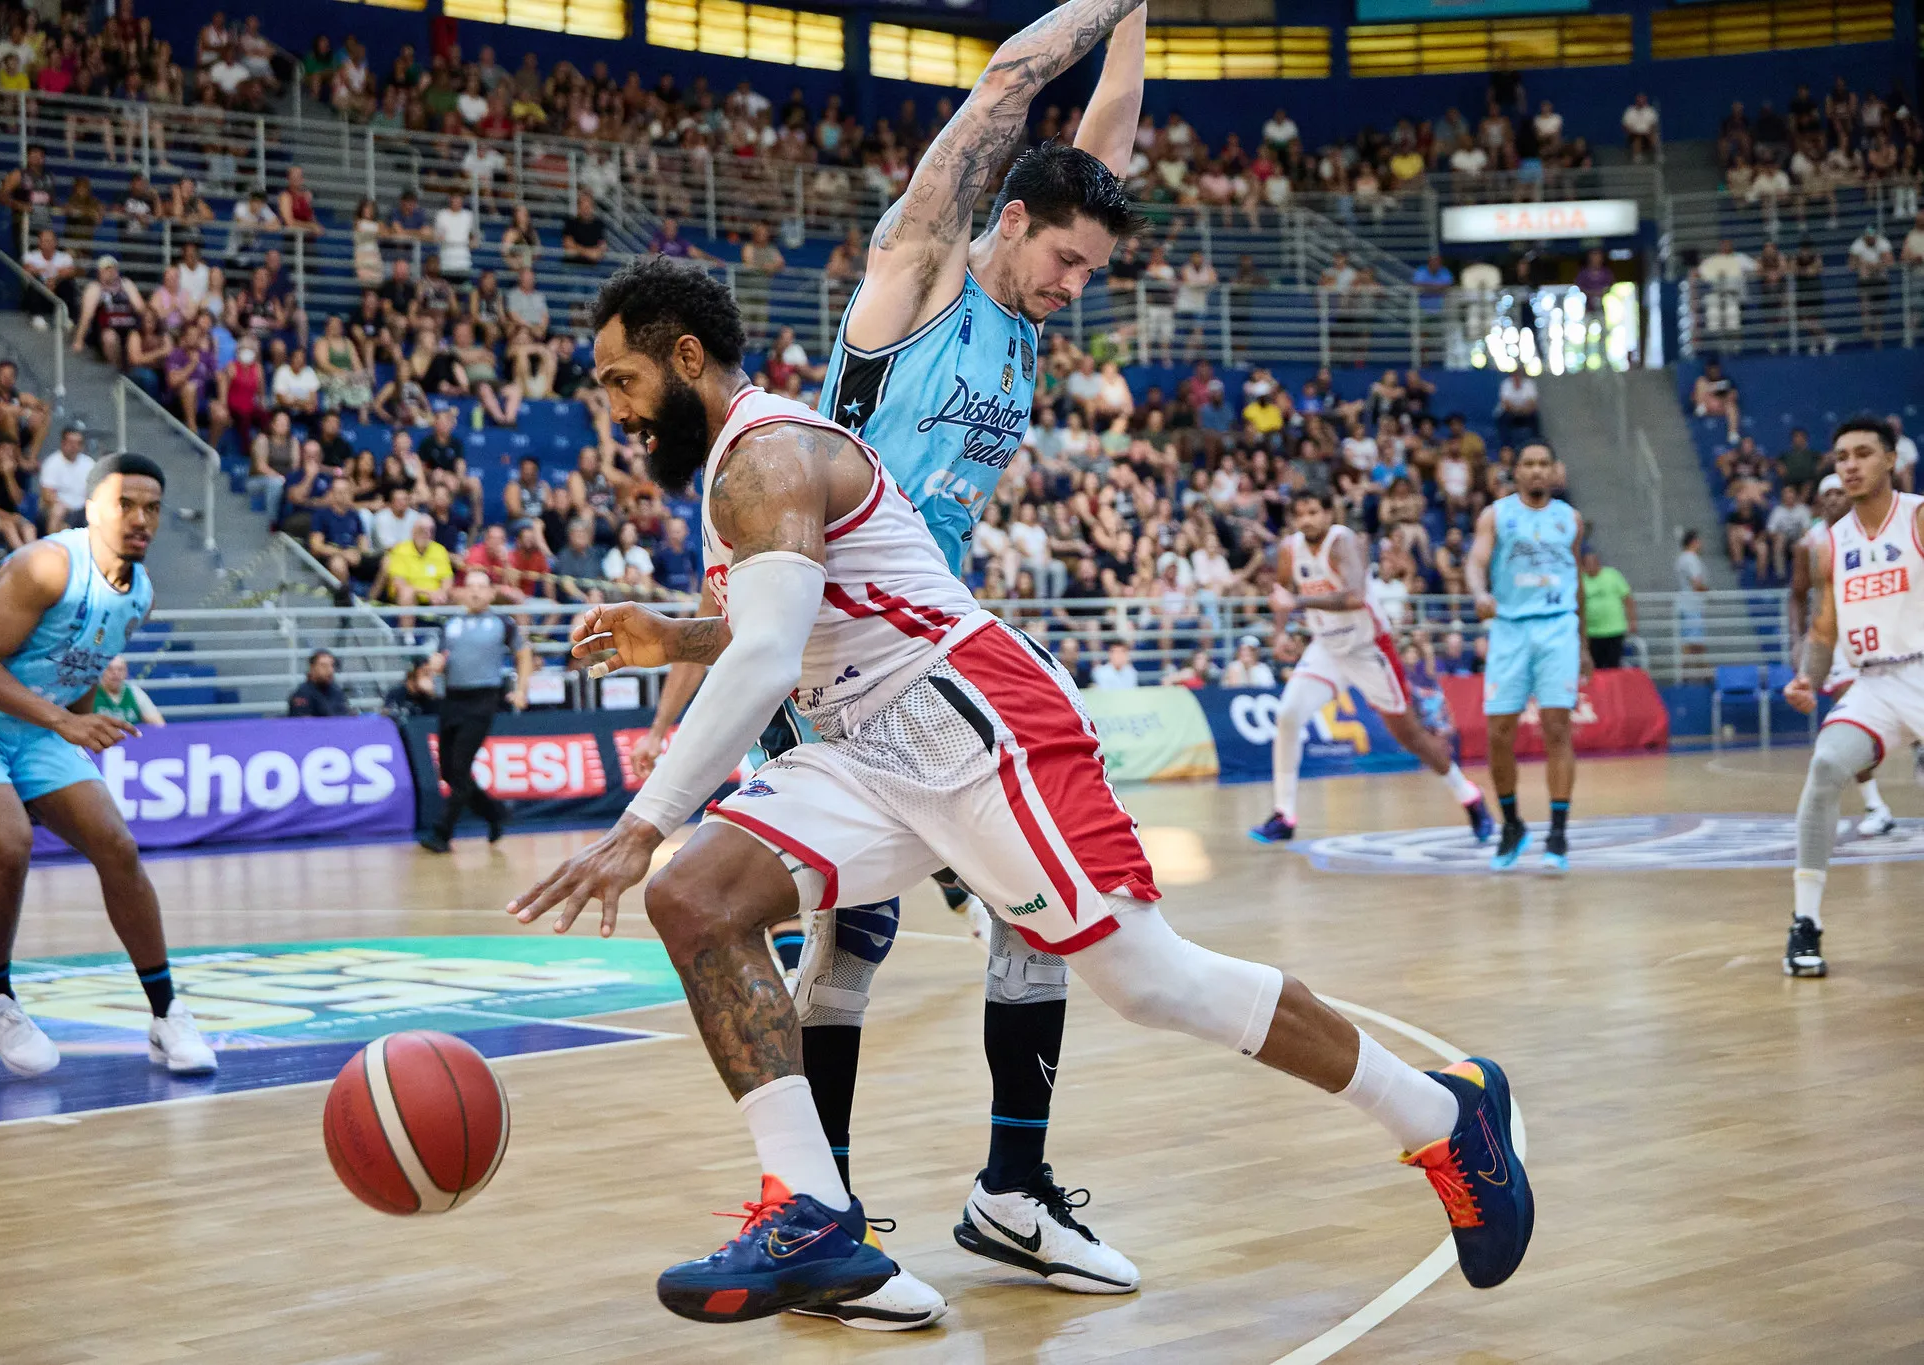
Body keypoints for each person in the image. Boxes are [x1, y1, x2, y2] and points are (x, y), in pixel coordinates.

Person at [507, 261, 1533, 1326]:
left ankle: (1438, 1114)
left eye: (622, 381)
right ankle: (811, 1210)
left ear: (684, 360)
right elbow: (809, 610)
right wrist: (678, 635)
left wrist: (640, 826)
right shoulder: (747, 462)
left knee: (1149, 982)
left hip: (974, 722)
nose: (615, 409)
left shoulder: (765, 455)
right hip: (865, 741)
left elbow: (769, 658)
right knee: (697, 903)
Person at [629, 16, 1153, 1329]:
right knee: (848, 945)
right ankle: (829, 1215)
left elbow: (1101, 138)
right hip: (831, 658)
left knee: (1035, 916)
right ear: (1010, 221)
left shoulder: (1034, 306)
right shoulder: (915, 280)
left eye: (1089, 270)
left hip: (930, 650)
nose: (1072, 287)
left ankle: (1007, 1191)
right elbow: (1010, 89)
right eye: (1064, 261)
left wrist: (1135, 20)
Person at [0, 454, 215, 1078]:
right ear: (94, 505)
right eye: (127, 504)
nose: (141, 518)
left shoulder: (140, 595)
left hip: (39, 724)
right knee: (10, 844)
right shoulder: (46, 565)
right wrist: (65, 724)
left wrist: (82, 726)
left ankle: (166, 1015)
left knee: (117, 846)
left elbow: (81, 664)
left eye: (152, 507)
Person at [1250, 490, 1493, 845]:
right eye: (1300, 514)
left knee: (1410, 737)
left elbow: (1354, 597)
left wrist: (1298, 602)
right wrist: (1280, 633)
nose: (1307, 519)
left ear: (1327, 512)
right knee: (1288, 715)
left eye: (1314, 511)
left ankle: (1468, 796)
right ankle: (1284, 814)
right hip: (1327, 649)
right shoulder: (1291, 549)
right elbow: (1281, 593)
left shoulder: (1342, 542)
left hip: (1368, 649)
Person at [1782, 417, 1924, 976]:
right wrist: (1807, 681)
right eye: (1842, 456)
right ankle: (1805, 923)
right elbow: (1823, 631)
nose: (1851, 464)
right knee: (1825, 767)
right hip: (1874, 684)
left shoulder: (1917, 516)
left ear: (1890, 460)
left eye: (1864, 453)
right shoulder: (1832, 542)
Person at [1467, 444, 1587, 873]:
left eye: (1543, 464)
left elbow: (1577, 583)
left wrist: (1584, 643)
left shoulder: (1569, 519)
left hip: (1557, 627)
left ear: (1555, 472)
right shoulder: (1496, 515)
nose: (1536, 471)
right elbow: (1476, 561)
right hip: (1510, 629)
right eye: (1528, 464)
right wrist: (1480, 593)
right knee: (1499, 731)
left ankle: (1558, 832)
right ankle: (1512, 822)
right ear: (1515, 471)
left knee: (1557, 728)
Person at [1789, 473, 1899, 839]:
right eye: (1828, 495)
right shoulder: (1809, 544)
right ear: (1820, 502)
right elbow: (1797, 594)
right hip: (1835, 642)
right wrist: (1797, 640)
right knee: (1846, 716)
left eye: (1840, 493)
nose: (1835, 499)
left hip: (1881, 634)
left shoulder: (1877, 530)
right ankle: (1875, 805)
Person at [418, 571, 534, 853]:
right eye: (470, 587)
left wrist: (521, 690)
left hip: (483, 699)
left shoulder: (501, 623)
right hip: (453, 698)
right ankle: (495, 813)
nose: (475, 593)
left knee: (459, 767)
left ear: (491, 593)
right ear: (461, 592)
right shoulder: (451, 624)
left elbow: (524, 654)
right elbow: (440, 658)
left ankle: (442, 833)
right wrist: (433, 667)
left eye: (481, 587)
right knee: (448, 770)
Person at [1579, 548, 1635, 671]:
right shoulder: (1582, 580)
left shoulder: (1612, 575)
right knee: (1595, 666)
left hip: (1614, 629)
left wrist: (1632, 620)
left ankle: (1613, 690)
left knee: (1613, 666)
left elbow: (1627, 598)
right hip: (1592, 631)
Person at [91, 655, 166, 728]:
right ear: (101, 672)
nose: (115, 673)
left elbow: (159, 725)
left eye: (120, 669)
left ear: (126, 673)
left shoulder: (135, 692)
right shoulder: (90, 693)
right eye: (109, 669)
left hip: (130, 739)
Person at [287, 649, 352, 716]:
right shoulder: (302, 694)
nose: (330, 670)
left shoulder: (337, 692)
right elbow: (303, 723)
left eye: (332, 665)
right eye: (324, 666)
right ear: (312, 667)